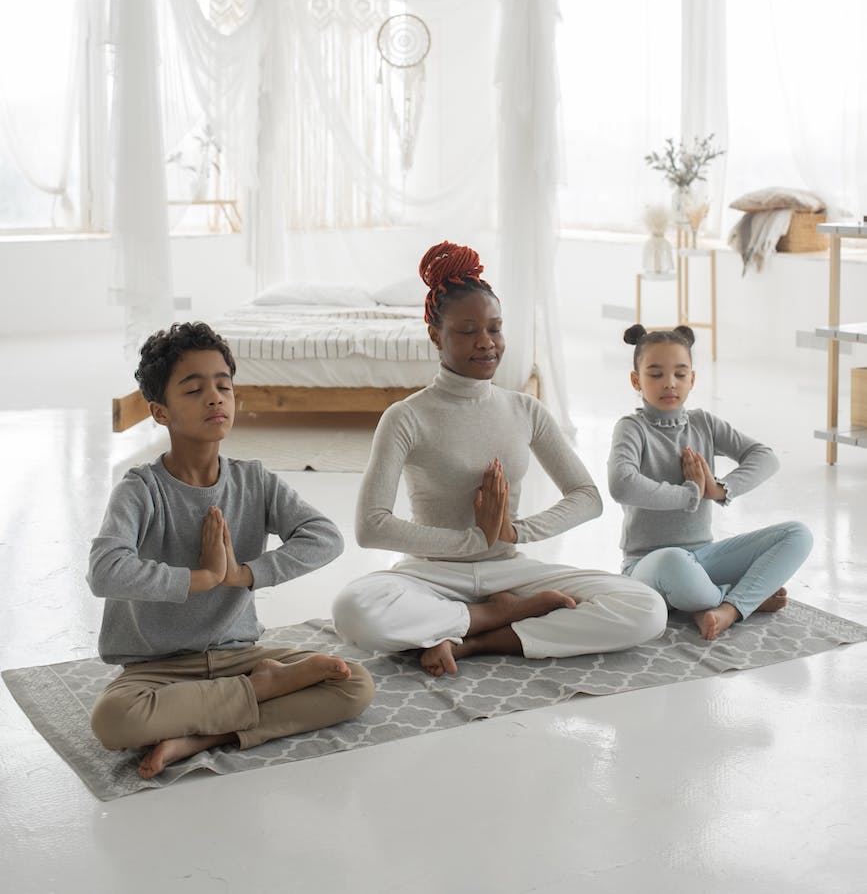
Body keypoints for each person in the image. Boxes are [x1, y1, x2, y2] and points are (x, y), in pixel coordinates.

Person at [332, 241, 667, 676]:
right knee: (353, 609)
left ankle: (473, 641)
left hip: (510, 572)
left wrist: (512, 531)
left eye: (495, 328)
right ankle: (494, 616)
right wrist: (472, 541)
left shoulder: (525, 409)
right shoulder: (406, 417)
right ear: (436, 335)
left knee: (646, 608)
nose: (486, 342)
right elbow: (370, 526)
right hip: (433, 575)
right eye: (468, 331)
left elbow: (588, 497)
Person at [88, 321, 374, 780]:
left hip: (238, 656)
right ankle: (256, 695)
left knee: (354, 685)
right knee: (114, 719)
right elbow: (105, 571)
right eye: (194, 388)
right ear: (160, 412)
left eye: (224, 385)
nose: (215, 397)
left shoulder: (254, 480)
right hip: (159, 671)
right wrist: (201, 578)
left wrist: (242, 573)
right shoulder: (139, 490)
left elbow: (325, 535)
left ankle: (206, 736)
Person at [607, 323, 813, 641]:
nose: (669, 383)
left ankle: (726, 610)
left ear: (692, 378)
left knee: (798, 534)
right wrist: (691, 493)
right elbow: (622, 485)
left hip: (703, 559)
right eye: (656, 373)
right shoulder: (632, 428)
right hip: (647, 564)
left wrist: (718, 489)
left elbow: (765, 457)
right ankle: (746, 598)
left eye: (680, 373)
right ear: (637, 380)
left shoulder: (703, 423)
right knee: (673, 560)